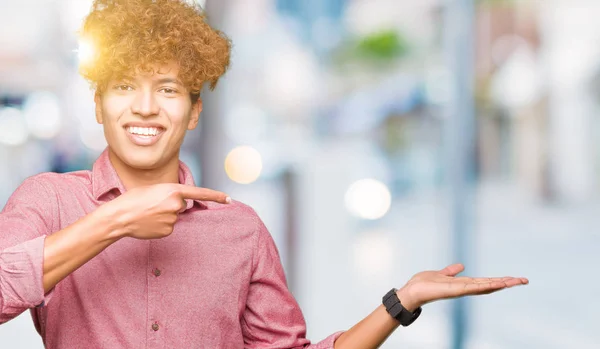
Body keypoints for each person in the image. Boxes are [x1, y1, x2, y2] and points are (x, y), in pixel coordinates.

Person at [0, 1, 528, 348]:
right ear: (97, 104)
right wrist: (114, 221)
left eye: (166, 88)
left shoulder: (241, 230)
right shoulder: (48, 201)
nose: (144, 108)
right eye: (123, 88)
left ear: (195, 110)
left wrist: (400, 303)